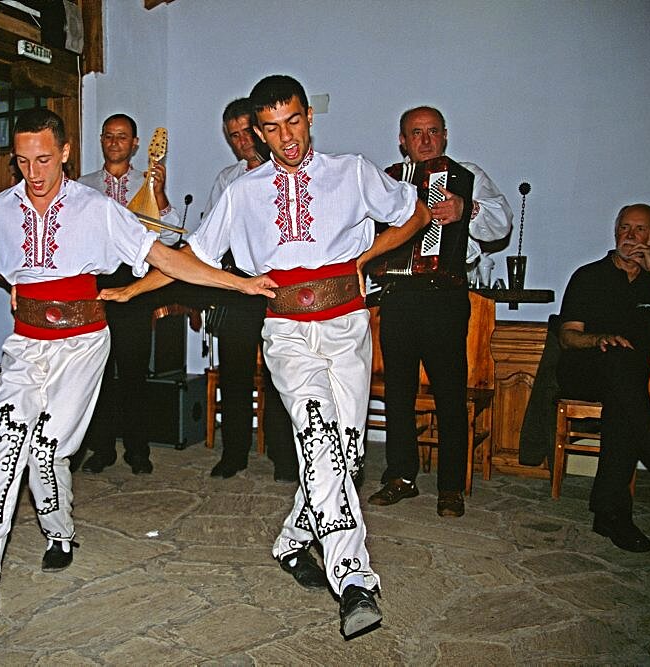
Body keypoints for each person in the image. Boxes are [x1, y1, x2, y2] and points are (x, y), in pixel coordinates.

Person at [102, 75, 431, 640]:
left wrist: (366, 257)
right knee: (322, 440)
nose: (288, 138)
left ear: (309, 116)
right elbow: (193, 256)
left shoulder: (351, 171)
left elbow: (417, 213)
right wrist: (133, 292)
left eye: (295, 122)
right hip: (285, 331)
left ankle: (291, 542)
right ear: (257, 131)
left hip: (348, 325)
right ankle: (354, 580)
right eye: (272, 128)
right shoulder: (242, 193)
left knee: (343, 456)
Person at [0, 108, 276, 641]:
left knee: (49, 448)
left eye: (46, 160)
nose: (34, 172)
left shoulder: (96, 209)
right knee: (6, 454)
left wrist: (238, 285)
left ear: (67, 152)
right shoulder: (0, 209)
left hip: (81, 343)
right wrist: (10, 274)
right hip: (26, 343)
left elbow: (164, 257)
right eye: (24, 161)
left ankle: (59, 532)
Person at [368, 106, 512, 518]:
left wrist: (467, 210)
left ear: (445, 135)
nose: (426, 140)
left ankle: (451, 487)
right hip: (396, 294)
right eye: (417, 133)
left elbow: (501, 225)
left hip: (444, 295)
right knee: (398, 393)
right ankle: (401, 476)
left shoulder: (468, 175)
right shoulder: (390, 179)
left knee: (450, 394)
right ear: (403, 140)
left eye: (433, 132)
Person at [76, 114, 184, 475]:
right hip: (95, 285)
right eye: (108, 136)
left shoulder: (147, 182)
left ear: (136, 143)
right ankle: (101, 448)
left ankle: (138, 451)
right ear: (101, 140)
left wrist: (160, 193)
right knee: (97, 372)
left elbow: (168, 239)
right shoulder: (83, 185)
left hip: (135, 285)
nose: (114, 142)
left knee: (135, 372)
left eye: (122, 137)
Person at [557, 203, 650, 552]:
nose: (631, 237)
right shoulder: (588, 276)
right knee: (621, 365)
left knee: (625, 403)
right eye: (625, 228)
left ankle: (611, 514)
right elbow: (567, 336)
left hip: (635, 384)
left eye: (640, 230)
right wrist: (598, 339)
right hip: (586, 369)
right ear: (615, 231)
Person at [201, 98, 296, 481]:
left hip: (278, 286)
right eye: (233, 136)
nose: (242, 142)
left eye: (246, 132)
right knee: (235, 374)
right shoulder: (228, 179)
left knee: (281, 374)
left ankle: (284, 456)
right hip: (237, 286)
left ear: (260, 129)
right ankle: (234, 453)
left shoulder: (287, 172)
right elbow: (210, 237)